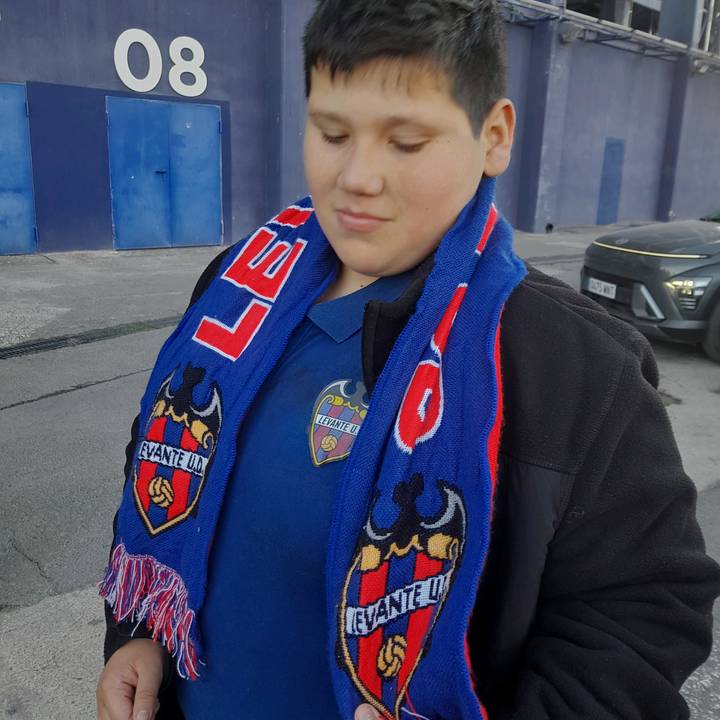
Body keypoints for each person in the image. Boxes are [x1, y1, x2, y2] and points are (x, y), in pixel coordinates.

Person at [96, 1, 720, 719]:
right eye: (332, 133)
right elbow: (162, 454)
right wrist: (136, 631)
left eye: (407, 141)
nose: (357, 177)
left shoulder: (576, 366)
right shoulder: (239, 286)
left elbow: (643, 617)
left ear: (494, 136)